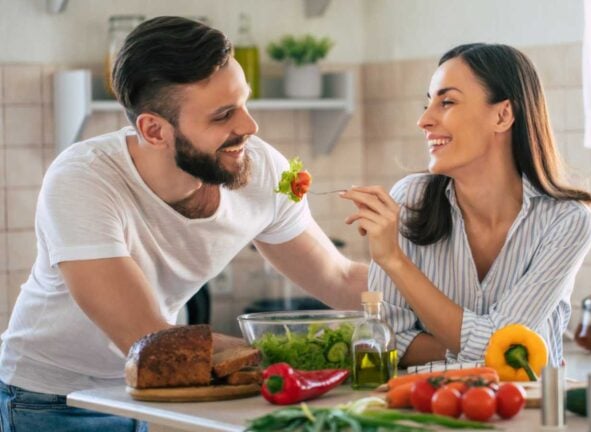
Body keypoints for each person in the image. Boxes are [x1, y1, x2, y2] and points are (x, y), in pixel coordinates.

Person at [0, 16, 367, 431]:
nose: (249, 126)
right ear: (154, 130)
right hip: (53, 398)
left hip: (152, 391)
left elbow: (339, 278)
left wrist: (439, 306)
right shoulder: (83, 179)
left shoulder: (259, 167)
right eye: (223, 115)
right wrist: (307, 357)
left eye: (244, 103)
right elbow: (147, 338)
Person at [341, 43, 591, 369]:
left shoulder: (567, 221)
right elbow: (387, 339)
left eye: (446, 102)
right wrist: (481, 349)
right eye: (427, 103)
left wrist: (394, 260)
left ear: (503, 115)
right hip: (429, 410)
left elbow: (500, 344)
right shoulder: (409, 200)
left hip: (526, 412)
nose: (423, 121)